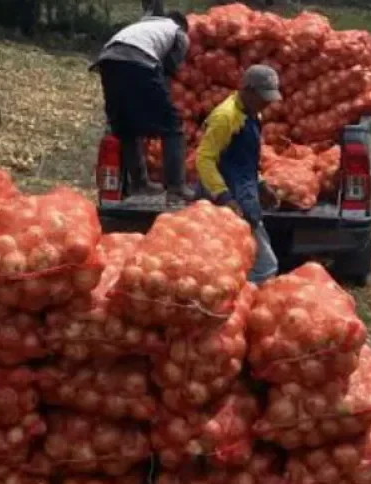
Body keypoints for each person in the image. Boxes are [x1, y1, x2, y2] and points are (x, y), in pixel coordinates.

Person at [90, 11, 195, 204]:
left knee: (126, 127)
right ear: (182, 25)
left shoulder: (143, 26)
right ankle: (176, 186)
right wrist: (162, 105)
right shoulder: (178, 32)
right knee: (172, 124)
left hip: (108, 62)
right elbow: (167, 70)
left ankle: (139, 184)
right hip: (138, 62)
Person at [195, 64, 282, 284]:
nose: (268, 103)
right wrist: (224, 196)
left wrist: (261, 184)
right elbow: (204, 159)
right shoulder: (225, 117)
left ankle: (240, 295)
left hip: (244, 194)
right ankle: (248, 297)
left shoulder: (252, 113)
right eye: (264, 97)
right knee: (264, 265)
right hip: (226, 198)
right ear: (248, 90)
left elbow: (244, 160)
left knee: (237, 259)